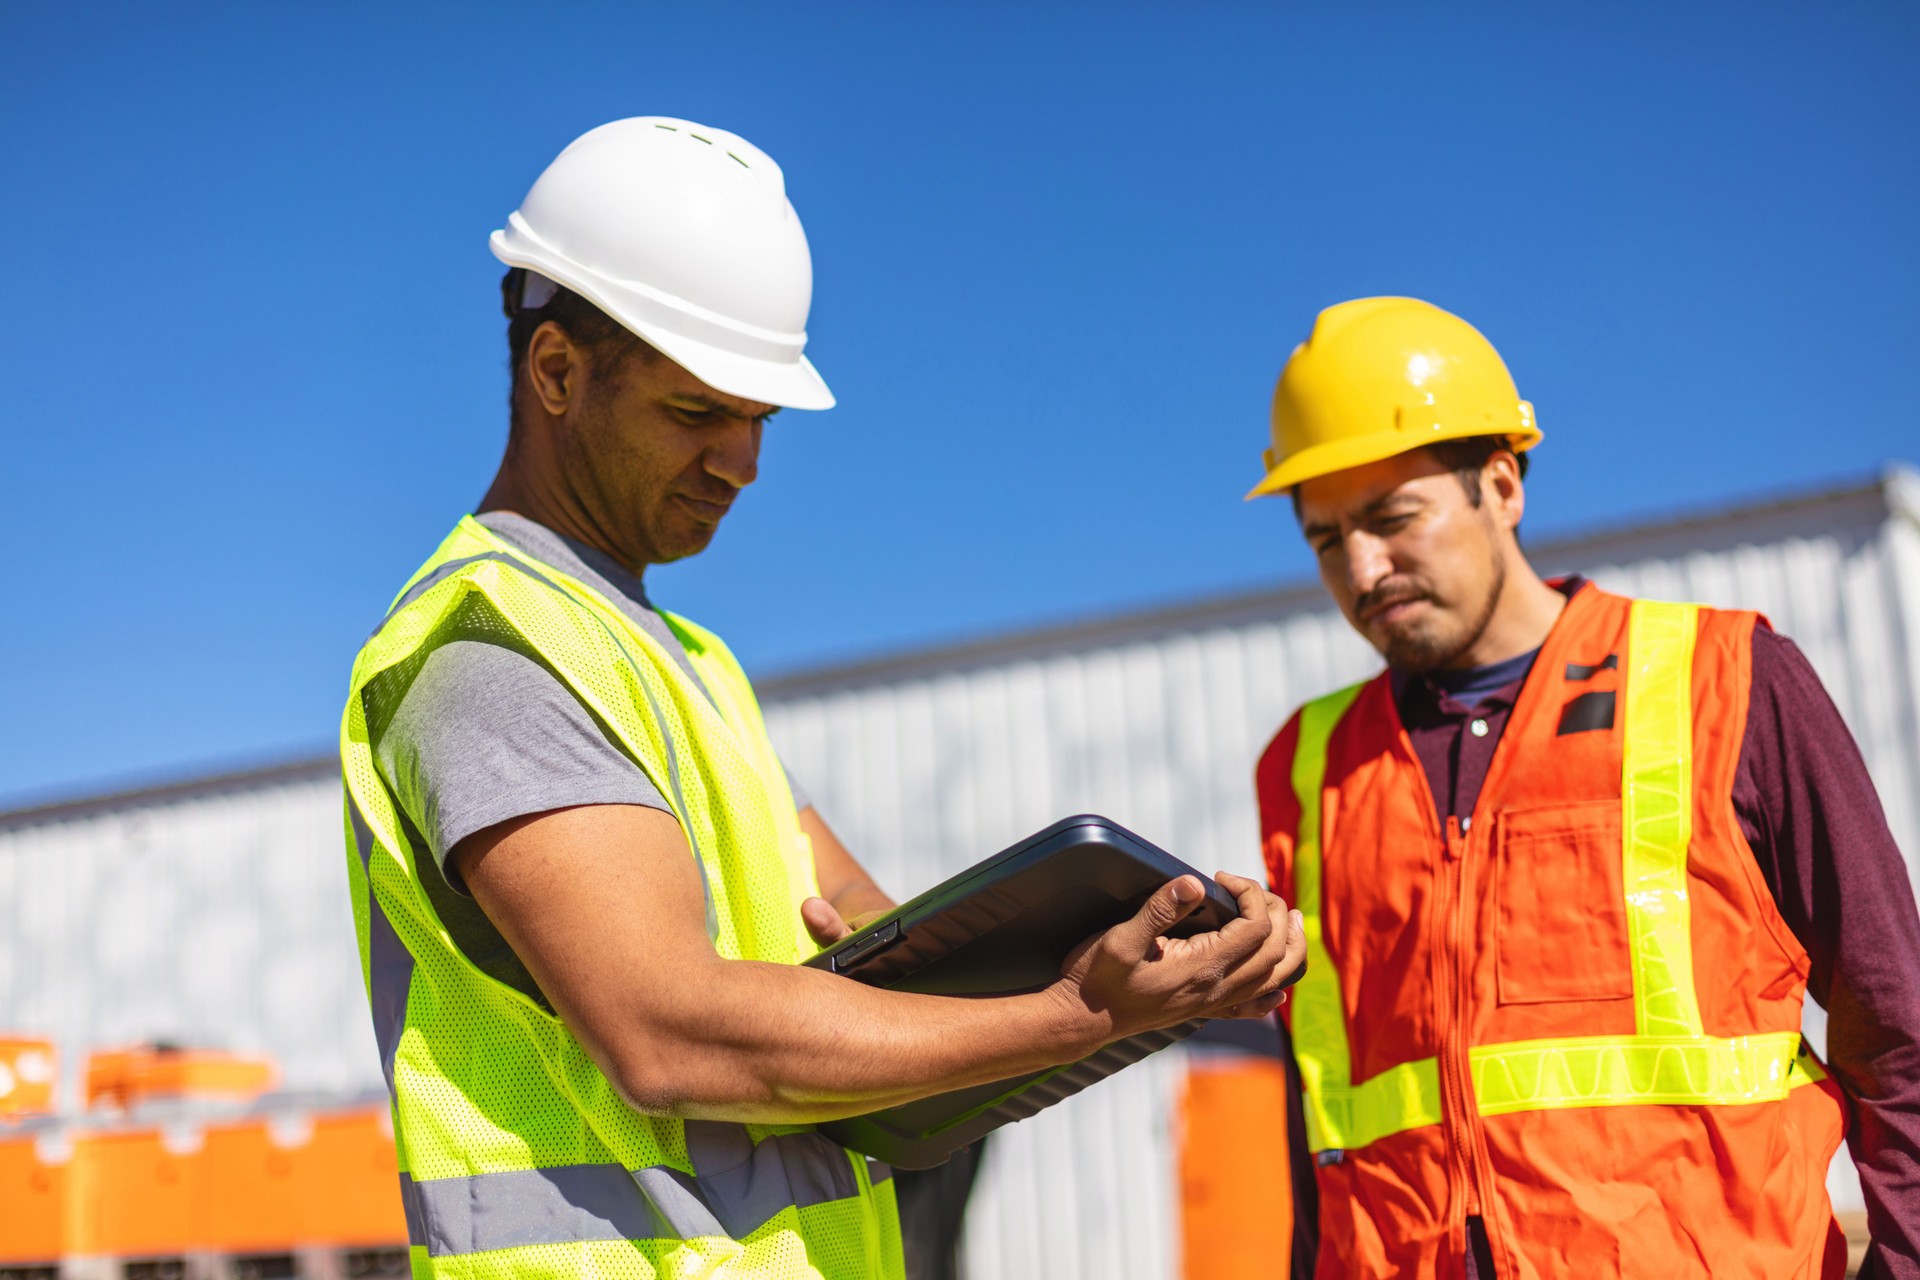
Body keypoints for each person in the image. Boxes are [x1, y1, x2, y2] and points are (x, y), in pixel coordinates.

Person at [336, 116, 1307, 1280]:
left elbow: (854, 909)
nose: (743, 462)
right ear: (556, 371)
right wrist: (1075, 1014)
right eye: (698, 411)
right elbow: (665, 1030)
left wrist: (1121, 953)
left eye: (759, 418)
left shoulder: (690, 662)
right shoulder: (487, 647)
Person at [1248, 296, 1920, 1279]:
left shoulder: (1724, 679)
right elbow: (1319, 1120)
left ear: (1502, 484)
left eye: (1394, 517)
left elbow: (1899, 1034)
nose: (1362, 567)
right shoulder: (1308, 766)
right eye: (1324, 538)